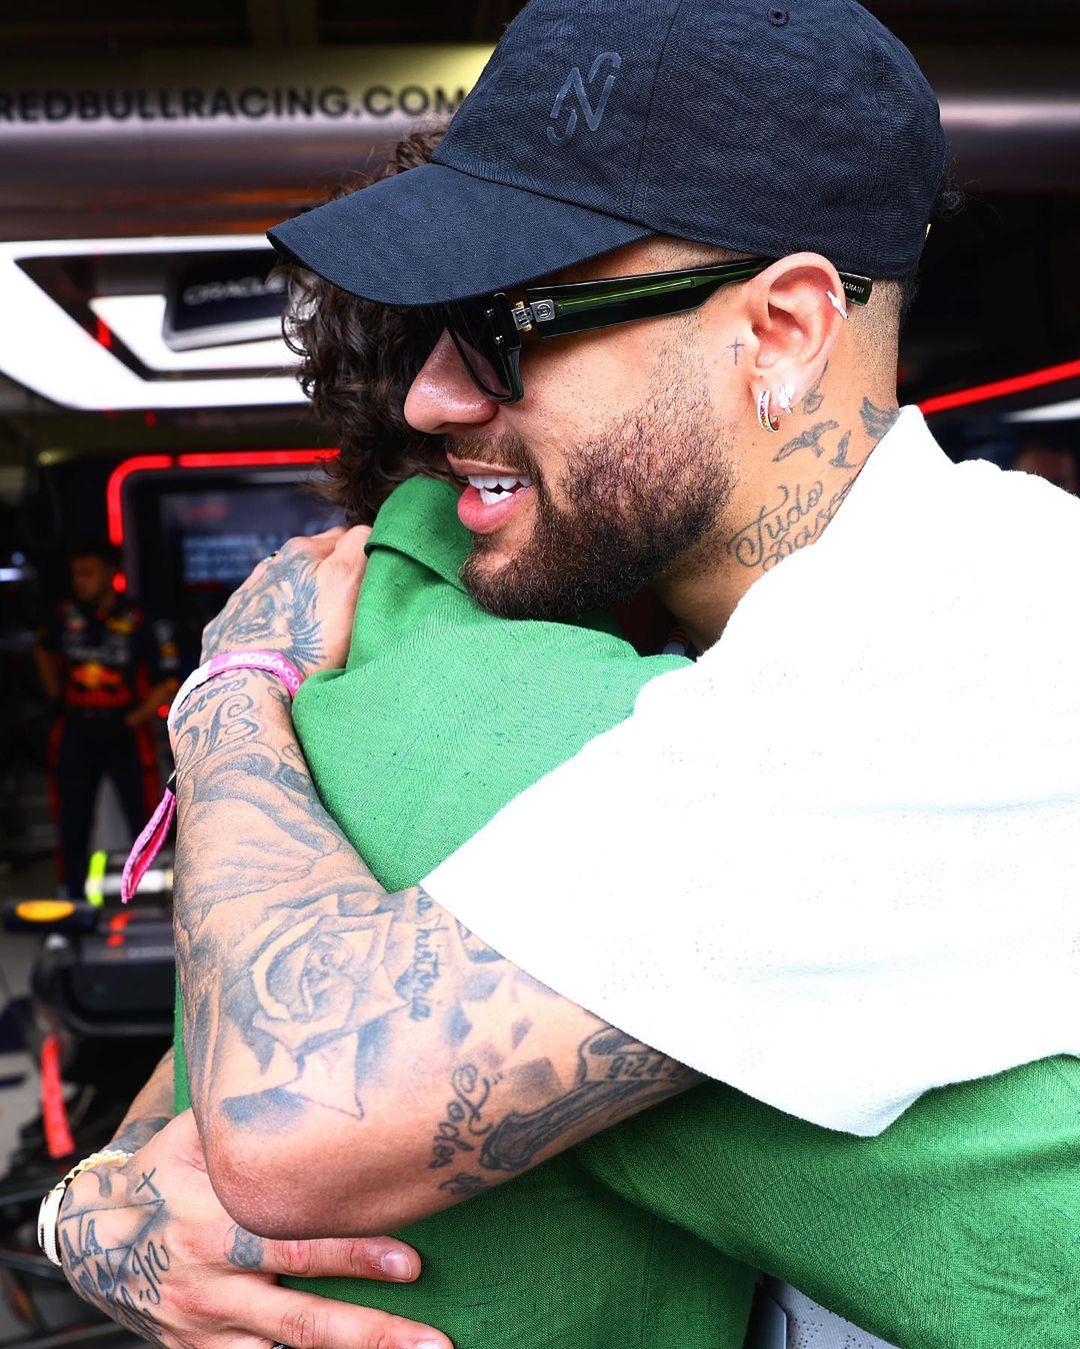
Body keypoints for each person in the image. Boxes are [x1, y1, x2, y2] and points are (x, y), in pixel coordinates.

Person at [50, 1, 1079, 1345]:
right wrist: (96, 1215)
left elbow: (291, 1119)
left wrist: (235, 689)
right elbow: (195, 1087)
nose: (431, 398)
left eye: (506, 322)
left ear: (778, 332)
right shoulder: (651, 662)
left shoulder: (960, 641)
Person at [34, 542, 180, 898]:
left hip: (125, 729)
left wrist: (136, 718)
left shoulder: (141, 618)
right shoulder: (65, 614)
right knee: (71, 815)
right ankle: (70, 894)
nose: (80, 582)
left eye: (88, 573)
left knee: (145, 814)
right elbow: (42, 648)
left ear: (111, 573)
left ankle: (156, 893)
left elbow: (170, 680)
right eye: (76, 574)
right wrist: (56, 696)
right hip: (76, 727)